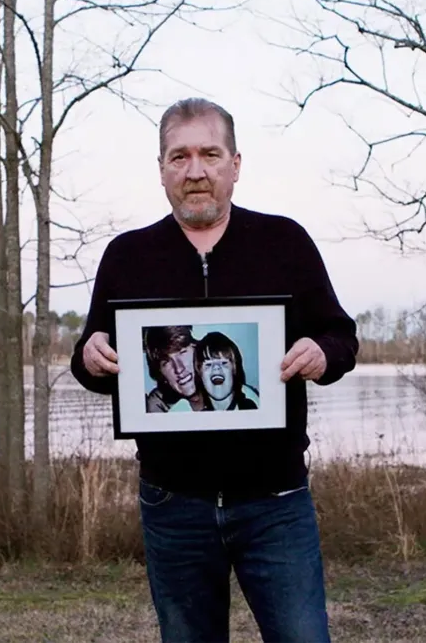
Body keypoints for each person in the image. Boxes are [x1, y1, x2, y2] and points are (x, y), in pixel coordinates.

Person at [70, 97, 358, 643]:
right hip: (173, 505)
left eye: (209, 154)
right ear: (161, 170)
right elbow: (91, 356)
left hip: (275, 503)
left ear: (235, 164)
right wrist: (91, 355)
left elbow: (341, 337)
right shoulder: (127, 256)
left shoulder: (285, 242)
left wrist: (322, 354)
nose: (195, 170)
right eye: (179, 157)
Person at [143, 325, 207, 413]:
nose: (179, 369)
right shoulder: (156, 407)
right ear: (160, 373)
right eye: (166, 362)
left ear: (196, 349)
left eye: (182, 352)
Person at [196, 330, 259, 410]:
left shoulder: (252, 405)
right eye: (208, 364)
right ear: (199, 373)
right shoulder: (193, 413)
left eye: (223, 363)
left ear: (234, 369)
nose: (216, 367)